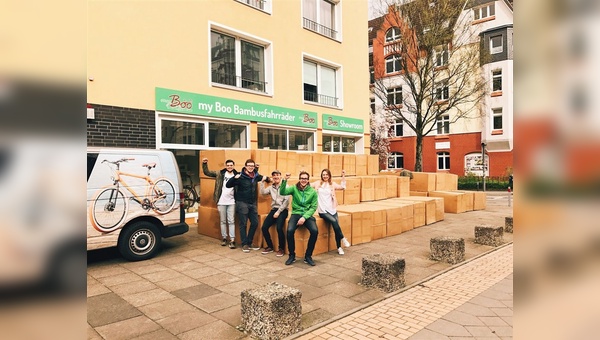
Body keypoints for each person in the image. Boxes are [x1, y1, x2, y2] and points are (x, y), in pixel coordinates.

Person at [226, 159, 266, 253]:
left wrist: (268, 178)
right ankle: (244, 244)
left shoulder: (256, 176)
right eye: (249, 166)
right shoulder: (240, 176)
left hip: (252, 203)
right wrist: (234, 178)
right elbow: (228, 185)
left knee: (255, 223)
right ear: (245, 166)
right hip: (242, 202)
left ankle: (249, 242)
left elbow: (264, 178)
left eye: (252, 166)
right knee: (243, 224)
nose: (251, 167)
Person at [280, 171, 318, 266]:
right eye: (302, 178)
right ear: (299, 179)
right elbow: (282, 192)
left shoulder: (312, 191)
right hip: (296, 213)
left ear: (308, 180)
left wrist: (304, 217)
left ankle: (308, 256)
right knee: (289, 231)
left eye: (305, 178)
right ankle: (292, 255)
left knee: (314, 231)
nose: (303, 180)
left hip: (307, 215)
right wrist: (284, 180)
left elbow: (313, 207)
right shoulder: (294, 188)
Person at [311, 169, 350, 255]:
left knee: (336, 227)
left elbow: (343, 187)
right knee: (334, 221)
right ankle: (343, 238)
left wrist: (343, 176)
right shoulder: (317, 183)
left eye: (326, 174)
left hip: (332, 209)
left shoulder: (332, 184)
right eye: (323, 174)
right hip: (322, 210)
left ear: (329, 175)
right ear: (321, 175)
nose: (325, 176)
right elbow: (306, 185)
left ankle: (339, 247)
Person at [202, 158, 238, 249]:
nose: (229, 167)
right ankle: (224, 238)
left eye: (231, 165)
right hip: (221, 201)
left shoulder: (237, 175)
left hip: (232, 201)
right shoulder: (220, 173)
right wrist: (204, 163)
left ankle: (232, 240)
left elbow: (248, 177)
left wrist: (256, 169)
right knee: (223, 221)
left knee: (231, 221)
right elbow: (207, 173)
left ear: (233, 166)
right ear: (225, 166)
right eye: (228, 165)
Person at [259, 170, 291, 257]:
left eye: (277, 175)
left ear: (280, 176)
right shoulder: (270, 187)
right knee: (264, 227)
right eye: (274, 176)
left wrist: (278, 212)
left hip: (283, 210)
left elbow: (286, 201)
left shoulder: (285, 186)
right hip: (274, 209)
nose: (276, 177)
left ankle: (281, 249)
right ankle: (270, 246)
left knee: (279, 228)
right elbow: (262, 193)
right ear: (272, 177)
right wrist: (262, 182)